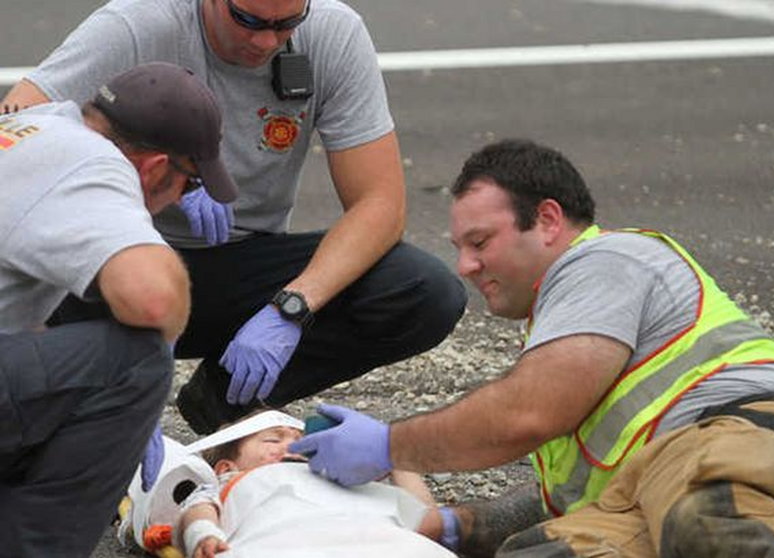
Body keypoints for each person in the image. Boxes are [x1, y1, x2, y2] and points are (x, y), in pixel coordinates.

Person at [288, 139, 774, 557]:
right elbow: (563, 500)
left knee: (709, 512)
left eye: (480, 243)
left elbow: (528, 413)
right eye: (460, 249)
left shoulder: (606, 260)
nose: (465, 267)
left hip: (752, 433)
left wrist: (389, 446)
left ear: (549, 220)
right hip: (645, 496)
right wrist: (453, 525)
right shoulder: (564, 340)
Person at [2, 0, 467, 436]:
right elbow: (18, 125)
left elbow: (380, 204)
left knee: (423, 290)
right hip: (118, 261)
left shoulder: (333, 33)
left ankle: (227, 400)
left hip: (237, 264)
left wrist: (292, 307)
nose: (266, 43)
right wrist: (149, 186)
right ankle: (75, 414)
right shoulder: (139, 22)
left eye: (286, 25)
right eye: (248, 20)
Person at [0, 62, 237, 557]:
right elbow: (151, 297)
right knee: (134, 361)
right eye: (188, 185)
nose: (177, 202)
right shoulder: (96, 164)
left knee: (55, 374)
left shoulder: (33, 128)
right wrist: (163, 350)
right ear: (154, 168)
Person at [121, 410, 454, 558]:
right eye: (273, 440)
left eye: (300, 440)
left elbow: (426, 518)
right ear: (227, 467)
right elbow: (196, 510)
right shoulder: (230, 483)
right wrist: (201, 535)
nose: (293, 446)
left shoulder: (346, 483)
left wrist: (394, 453)